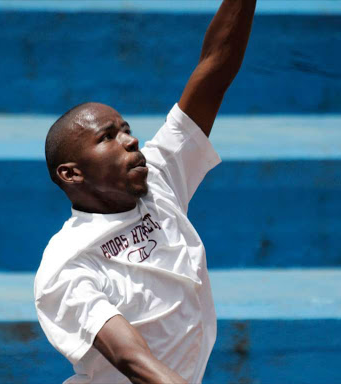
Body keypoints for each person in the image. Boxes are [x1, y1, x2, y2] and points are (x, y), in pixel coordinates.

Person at [34, 1, 256, 382]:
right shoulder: (68, 263)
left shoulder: (160, 177)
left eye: (125, 128)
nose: (131, 140)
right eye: (108, 137)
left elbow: (217, 66)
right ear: (72, 173)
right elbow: (131, 359)